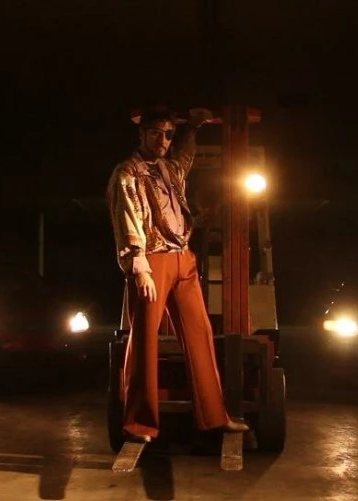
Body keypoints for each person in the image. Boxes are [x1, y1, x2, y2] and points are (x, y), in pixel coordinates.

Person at [106, 105, 249, 443]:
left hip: (182, 257)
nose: (163, 141)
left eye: (168, 135)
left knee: (200, 333)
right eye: (156, 133)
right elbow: (126, 218)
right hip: (152, 259)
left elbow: (185, 158)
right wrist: (139, 266)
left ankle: (215, 416)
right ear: (142, 134)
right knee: (145, 340)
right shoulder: (127, 172)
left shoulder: (169, 168)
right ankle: (139, 424)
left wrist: (193, 129)